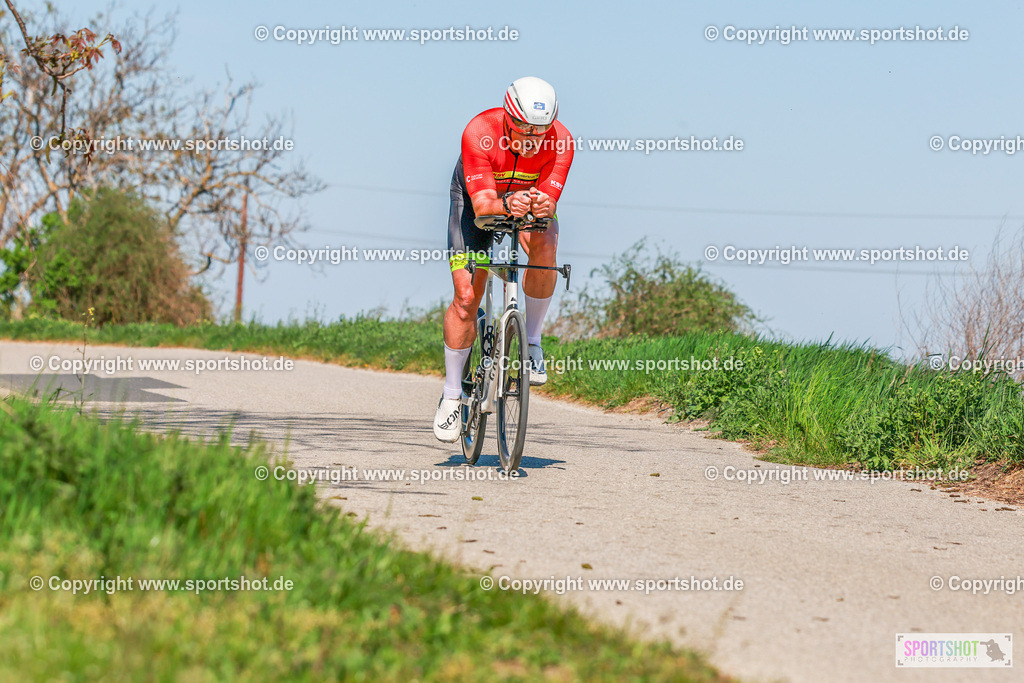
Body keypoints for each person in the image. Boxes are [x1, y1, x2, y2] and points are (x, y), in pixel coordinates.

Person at [434, 76, 575, 442]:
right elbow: (483, 210)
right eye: (524, 129)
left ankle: (531, 343)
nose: (532, 140)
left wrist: (545, 204)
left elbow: (548, 200)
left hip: (522, 199)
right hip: (476, 201)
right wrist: (506, 204)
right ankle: (452, 395)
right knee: (467, 298)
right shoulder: (480, 131)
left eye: (540, 131)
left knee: (546, 246)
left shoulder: (561, 142)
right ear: (508, 118)